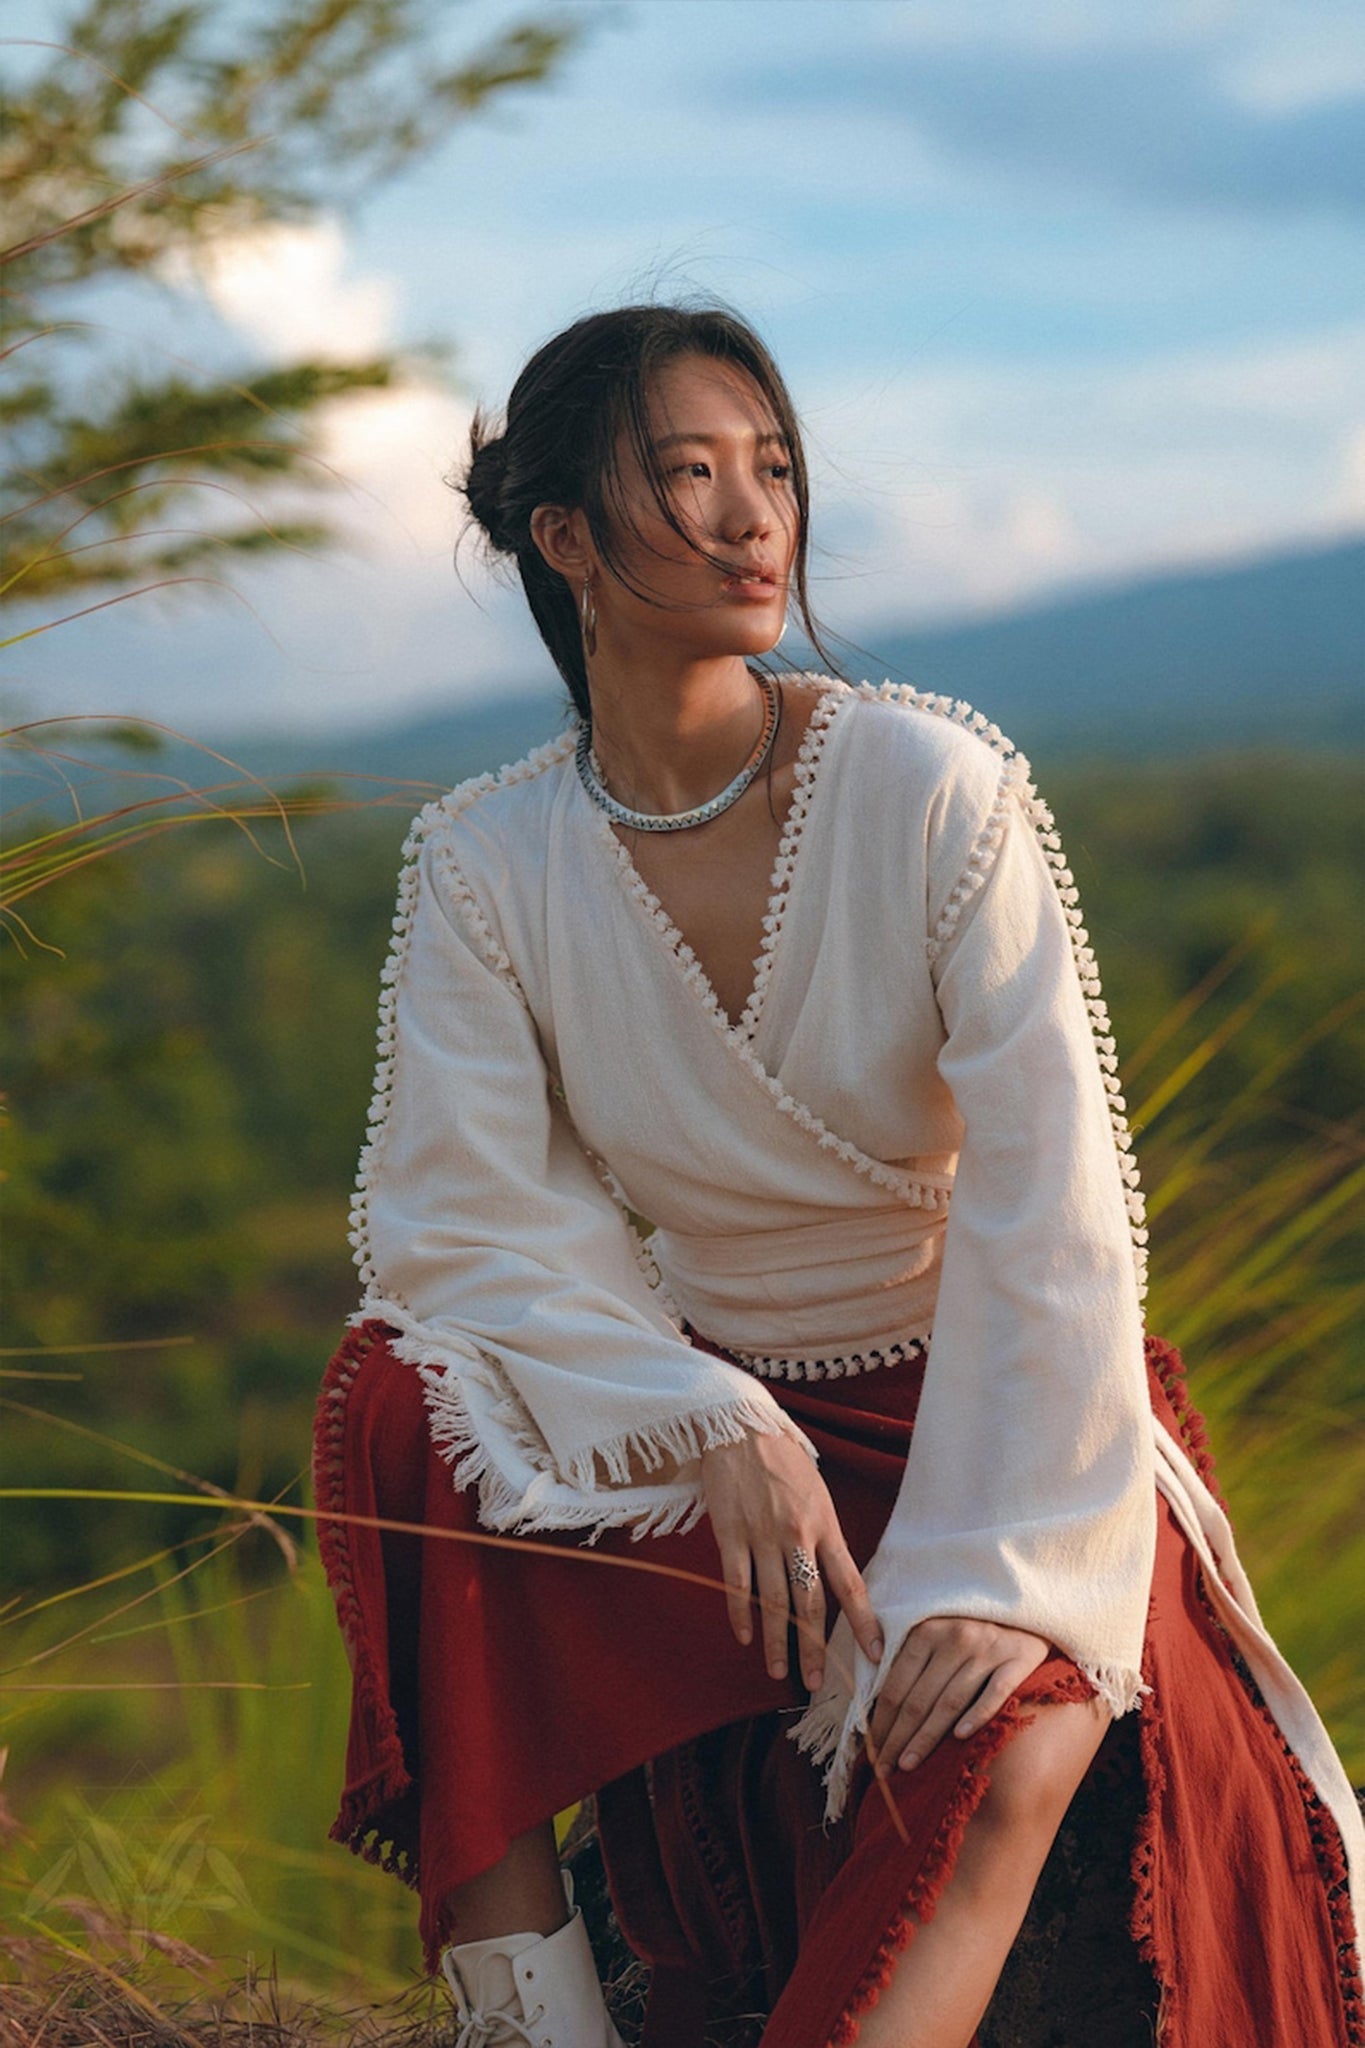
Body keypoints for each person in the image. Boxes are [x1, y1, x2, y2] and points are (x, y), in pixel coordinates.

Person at [312, 303, 1363, 2048]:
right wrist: (698, 1414)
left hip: (989, 1415)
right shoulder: (490, 860)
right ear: (563, 537)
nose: (751, 521)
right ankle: (534, 2029)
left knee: (1013, 1735)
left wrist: (998, 1565)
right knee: (390, 1403)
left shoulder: (929, 787)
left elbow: (1056, 1218)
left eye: (774, 470)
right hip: (719, 1445)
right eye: (689, 475)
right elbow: (461, 1223)